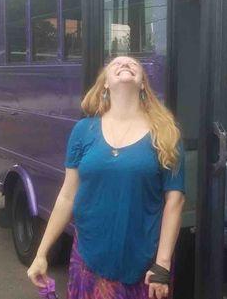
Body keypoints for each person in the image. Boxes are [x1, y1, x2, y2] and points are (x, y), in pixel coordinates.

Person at [26, 55, 186, 299]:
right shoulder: (83, 131)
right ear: (105, 85)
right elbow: (67, 196)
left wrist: (162, 265)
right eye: (116, 64)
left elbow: (175, 201)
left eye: (133, 64)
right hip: (88, 257)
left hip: (145, 261)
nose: (125, 64)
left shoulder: (166, 133)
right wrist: (41, 253)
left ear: (143, 83)